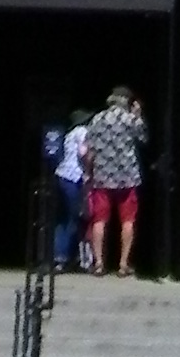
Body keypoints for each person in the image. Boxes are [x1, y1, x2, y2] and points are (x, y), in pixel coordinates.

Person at [81, 81, 145, 276]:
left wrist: (89, 172)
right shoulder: (130, 119)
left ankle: (99, 263)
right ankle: (123, 264)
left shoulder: (97, 119)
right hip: (127, 178)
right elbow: (143, 139)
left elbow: (89, 150)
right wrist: (138, 115)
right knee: (128, 221)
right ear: (127, 101)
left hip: (102, 176)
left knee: (99, 220)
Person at [49, 110, 89, 271]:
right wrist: (89, 169)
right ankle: (70, 257)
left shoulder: (69, 134)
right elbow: (83, 152)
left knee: (63, 218)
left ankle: (59, 256)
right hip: (73, 177)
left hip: (61, 175)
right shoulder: (82, 131)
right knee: (74, 217)